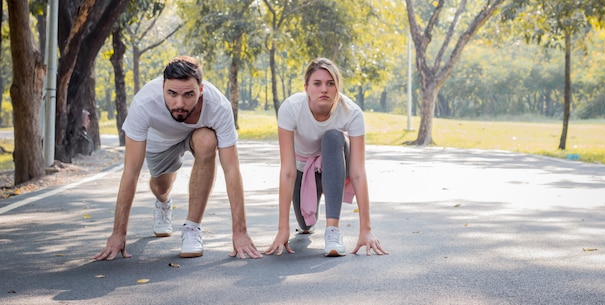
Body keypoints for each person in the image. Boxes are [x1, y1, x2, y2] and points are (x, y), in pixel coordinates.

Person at [94, 56, 261, 261]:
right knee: (161, 188)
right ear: (162, 87)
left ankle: (192, 228)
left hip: (197, 136)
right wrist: (118, 233)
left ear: (201, 90)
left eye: (189, 95)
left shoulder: (219, 106)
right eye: (172, 94)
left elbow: (231, 169)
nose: (179, 103)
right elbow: (131, 172)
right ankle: (163, 203)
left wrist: (240, 231)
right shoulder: (144, 103)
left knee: (207, 140)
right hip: (161, 142)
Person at [264, 57, 388, 257]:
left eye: (331, 84)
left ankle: (332, 231)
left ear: (338, 87)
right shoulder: (291, 108)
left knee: (332, 137)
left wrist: (366, 229)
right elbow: (287, 171)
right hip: (302, 171)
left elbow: (357, 172)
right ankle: (309, 214)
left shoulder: (352, 112)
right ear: (306, 87)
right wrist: (282, 228)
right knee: (305, 225)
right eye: (317, 83)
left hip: (334, 166)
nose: (324, 89)